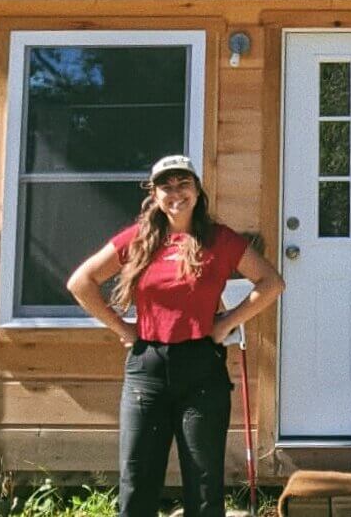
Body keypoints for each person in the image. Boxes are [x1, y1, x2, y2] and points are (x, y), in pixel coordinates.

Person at [67, 154, 285, 517]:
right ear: (154, 195)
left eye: (183, 183)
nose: (175, 193)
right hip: (147, 370)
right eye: (165, 186)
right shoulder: (138, 239)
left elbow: (272, 283)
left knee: (204, 486)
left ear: (197, 191)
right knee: (137, 481)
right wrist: (122, 327)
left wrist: (227, 321)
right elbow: (81, 282)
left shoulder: (219, 239)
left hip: (201, 369)